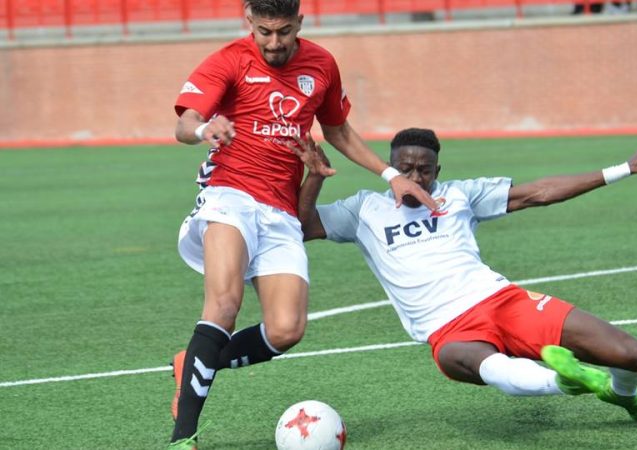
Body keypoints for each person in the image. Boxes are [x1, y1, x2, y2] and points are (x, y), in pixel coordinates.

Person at [167, 1, 437, 448]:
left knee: (286, 330)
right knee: (224, 306)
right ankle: (182, 438)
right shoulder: (229, 60)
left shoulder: (321, 64)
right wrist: (203, 130)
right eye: (265, 32)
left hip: (281, 211)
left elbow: (338, 131)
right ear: (249, 21)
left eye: (284, 32)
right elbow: (184, 122)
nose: (274, 43)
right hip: (229, 196)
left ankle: (194, 362)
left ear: (300, 24)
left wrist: (390, 177)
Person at [293, 128, 637, 424]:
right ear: (389, 170)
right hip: (447, 329)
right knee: (487, 366)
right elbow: (305, 225)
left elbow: (539, 192)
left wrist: (625, 168)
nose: (414, 176)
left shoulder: (460, 195)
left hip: (501, 301)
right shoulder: (364, 209)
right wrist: (316, 177)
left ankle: (623, 394)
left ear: (436, 172)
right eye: (404, 168)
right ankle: (566, 380)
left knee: (635, 356)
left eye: (424, 170)